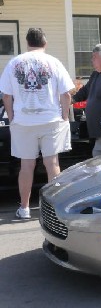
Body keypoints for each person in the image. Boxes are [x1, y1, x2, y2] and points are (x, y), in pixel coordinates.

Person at [0, 27, 74, 220]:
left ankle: (24, 208)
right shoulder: (54, 62)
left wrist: (12, 118)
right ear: (45, 43)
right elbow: (66, 94)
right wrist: (65, 117)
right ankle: (55, 210)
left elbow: (6, 96)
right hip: (50, 119)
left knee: (26, 166)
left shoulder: (14, 63)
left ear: (27, 43)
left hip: (23, 121)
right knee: (52, 163)